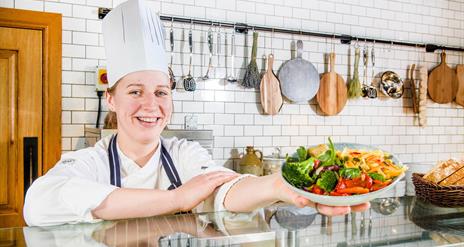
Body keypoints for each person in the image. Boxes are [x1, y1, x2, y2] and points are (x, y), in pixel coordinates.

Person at [23, 0, 368, 226]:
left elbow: (228, 189)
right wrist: (176, 198)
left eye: (161, 92)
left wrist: (281, 184)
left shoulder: (184, 153)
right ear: (111, 100)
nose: (150, 105)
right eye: (134, 92)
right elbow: (38, 204)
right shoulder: (89, 161)